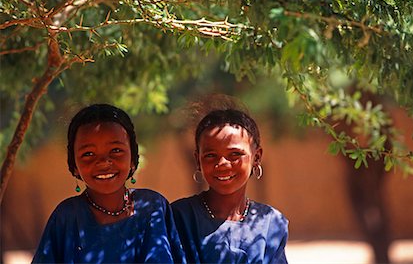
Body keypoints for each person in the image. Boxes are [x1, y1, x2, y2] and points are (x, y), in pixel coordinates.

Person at [32, 103, 185, 263]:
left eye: (116, 150)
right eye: (88, 153)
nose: (104, 162)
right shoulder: (67, 217)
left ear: (133, 157)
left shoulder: (153, 206)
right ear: (74, 164)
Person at [171, 96, 289, 264]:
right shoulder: (179, 217)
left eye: (235, 154)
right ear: (198, 160)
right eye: (211, 156)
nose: (223, 164)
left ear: (256, 157)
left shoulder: (271, 222)